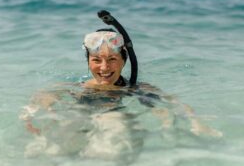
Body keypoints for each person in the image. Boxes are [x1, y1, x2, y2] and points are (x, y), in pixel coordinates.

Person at [19, 11, 222, 159]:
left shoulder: (135, 88)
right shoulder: (77, 86)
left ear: (124, 61)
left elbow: (172, 102)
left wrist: (196, 122)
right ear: (88, 61)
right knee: (48, 151)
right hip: (79, 114)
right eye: (96, 60)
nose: (104, 67)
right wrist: (33, 110)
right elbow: (43, 95)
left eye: (112, 60)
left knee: (111, 148)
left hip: (113, 118)